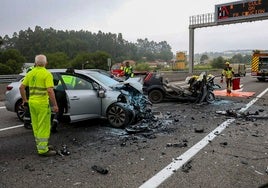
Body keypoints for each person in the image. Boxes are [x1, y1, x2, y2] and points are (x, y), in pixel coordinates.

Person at [19, 54, 59, 157]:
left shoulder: (30, 73)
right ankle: (43, 150)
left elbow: (21, 88)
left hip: (32, 103)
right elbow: (50, 91)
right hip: (42, 104)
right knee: (43, 126)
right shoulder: (47, 74)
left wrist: (24, 100)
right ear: (46, 63)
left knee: (36, 126)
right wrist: (55, 105)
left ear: (35, 63)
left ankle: (41, 145)